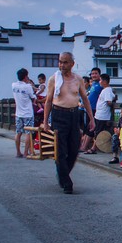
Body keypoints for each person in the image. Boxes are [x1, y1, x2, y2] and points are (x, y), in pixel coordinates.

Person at [43, 52, 95, 194]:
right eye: (60, 62)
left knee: (74, 148)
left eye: (65, 62)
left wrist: (91, 119)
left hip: (74, 115)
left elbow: (85, 99)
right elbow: (48, 101)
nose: (62, 65)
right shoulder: (54, 79)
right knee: (60, 150)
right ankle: (67, 182)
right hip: (58, 114)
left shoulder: (78, 79)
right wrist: (45, 122)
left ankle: (62, 173)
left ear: (72, 64)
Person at [12, 68, 37, 158]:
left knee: (18, 132)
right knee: (28, 133)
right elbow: (33, 97)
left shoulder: (13, 85)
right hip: (28, 113)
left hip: (18, 113)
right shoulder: (28, 87)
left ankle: (18, 152)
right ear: (26, 76)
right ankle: (26, 152)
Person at [81, 68, 103, 154]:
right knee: (87, 128)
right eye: (92, 73)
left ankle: (84, 147)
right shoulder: (93, 84)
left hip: (94, 109)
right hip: (88, 108)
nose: (94, 75)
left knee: (91, 128)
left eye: (96, 73)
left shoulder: (101, 85)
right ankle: (83, 146)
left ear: (99, 75)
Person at [93, 73, 117, 148]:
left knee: (99, 132)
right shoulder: (105, 90)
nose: (99, 82)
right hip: (100, 114)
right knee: (97, 131)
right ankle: (95, 147)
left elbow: (109, 102)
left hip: (102, 115)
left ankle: (94, 147)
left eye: (100, 80)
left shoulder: (107, 90)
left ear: (105, 81)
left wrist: (112, 103)